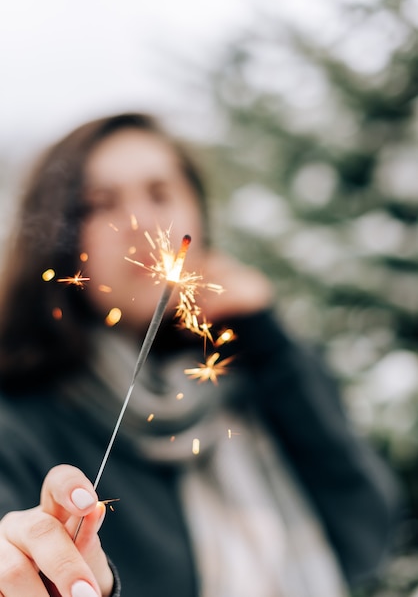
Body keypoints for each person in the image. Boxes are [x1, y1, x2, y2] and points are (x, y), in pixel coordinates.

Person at [0, 112, 401, 597]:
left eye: (161, 194)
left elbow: (367, 537)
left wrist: (268, 339)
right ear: (56, 238)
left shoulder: (257, 371)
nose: (142, 224)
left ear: (200, 217)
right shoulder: (17, 418)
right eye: (98, 205)